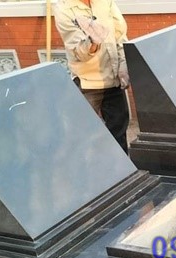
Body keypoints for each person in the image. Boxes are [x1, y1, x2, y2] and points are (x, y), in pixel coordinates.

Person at [55, 0, 130, 154]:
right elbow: (79, 52)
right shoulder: (63, 9)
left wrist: (124, 63)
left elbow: (120, 35)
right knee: (86, 137)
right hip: (88, 84)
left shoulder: (105, 2)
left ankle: (122, 167)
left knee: (119, 131)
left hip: (113, 80)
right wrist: (93, 42)